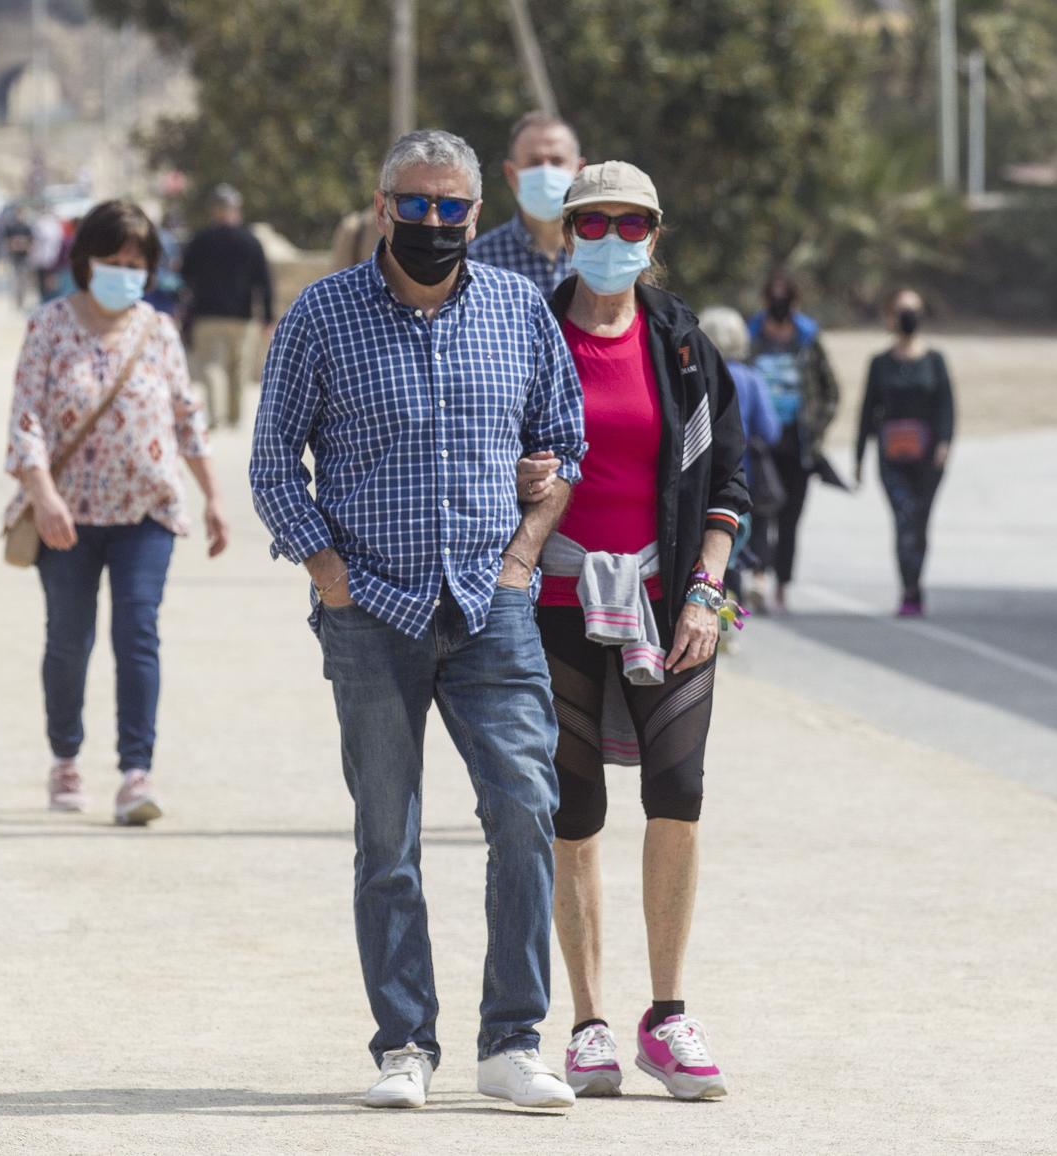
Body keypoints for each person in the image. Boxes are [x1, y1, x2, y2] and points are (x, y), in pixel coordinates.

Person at [249, 129, 585, 1112]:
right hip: (371, 615)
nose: (432, 222)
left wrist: (525, 553)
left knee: (524, 813)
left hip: (490, 608)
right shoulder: (321, 315)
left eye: (450, 208)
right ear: (381, 201)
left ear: (475, 215)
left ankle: (513, 1039)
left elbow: (562, 444)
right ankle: (403, 1043)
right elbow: (274, 465)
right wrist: (326, 569)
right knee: (385, 840)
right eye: (414, 202)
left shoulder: (519, 311)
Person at [513, 163, 745, 1102]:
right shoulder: (526, 330)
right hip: (553, 602)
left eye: (631, 222)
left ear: (656, 231)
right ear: (566, 231)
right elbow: (478, 441)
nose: (612, 238)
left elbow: (728, 479)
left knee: (678, 791)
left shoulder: (682, 342)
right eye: (593, 221)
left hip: (667, 600)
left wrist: (706, 593)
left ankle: (668, 1015)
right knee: (572, 811)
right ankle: (589, 1022)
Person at [4, 199, 228, 826]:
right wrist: (43, 496)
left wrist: (212, 495)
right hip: (65, 518)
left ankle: (136, 771)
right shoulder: (47, 327)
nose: (125, 272)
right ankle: (66, 755)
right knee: (69, 643)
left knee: (137, 635)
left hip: (145, 512)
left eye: (137, 263)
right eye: (113, 259)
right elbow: (25, 423)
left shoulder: (157, 330)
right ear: (84, 260)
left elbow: (187, 414)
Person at [856, 288, 956, 617]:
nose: (907, 316)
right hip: (892, 456)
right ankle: (907, 589)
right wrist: (858, 457)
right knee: (903, 519)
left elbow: (946, 407)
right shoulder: (880, 363)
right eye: (902, 310)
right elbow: (867, 410)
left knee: (920, 522)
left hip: (928, 458)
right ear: (890, 316)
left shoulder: (935, 360)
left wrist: (944, 444)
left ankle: (916, 584)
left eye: (913, 309)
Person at [745, 271, 839, 611]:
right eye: (774, 297)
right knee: (758, 513)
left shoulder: (808, 340)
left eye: (786, 297)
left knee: (790, 517)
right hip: (758, 445)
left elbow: (830, 391)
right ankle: (758, 576)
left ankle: (782, 583)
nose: (779, 305)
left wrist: (816, 428)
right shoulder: (750, 338)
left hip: (798, 444)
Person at [697, 306, 779, 610]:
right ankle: (752, 584)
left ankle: (723, 605)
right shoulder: (751, 378)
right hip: (747, 477)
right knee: (748, 534)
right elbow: (770, 431)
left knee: (715, 542)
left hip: (706, 477)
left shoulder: (697, 375)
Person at [180, 184, 275, 429]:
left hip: (207, 316)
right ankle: (234, 417)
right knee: (238, 368)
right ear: (236, 209)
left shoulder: (200, 240)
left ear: (213, 210)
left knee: (213, 367)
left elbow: (184, 276)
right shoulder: (251, 241)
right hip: (242, 318)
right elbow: (263, 282)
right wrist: (267, 317)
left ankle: (218, 417)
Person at [467, 112, 585, 296]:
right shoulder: (476, 262)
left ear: (579, 171)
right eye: (534, 162)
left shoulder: (601, 255)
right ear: (510, 174)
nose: (546, 171)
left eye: (557, 161)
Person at [2, 207, 35, 308]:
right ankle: (16, 301)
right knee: (15, 280)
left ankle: (22, 300)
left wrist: (23, 244)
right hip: (14, 257)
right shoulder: (11, 227)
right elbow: (6, 242)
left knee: (23, 281)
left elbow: (31, 242)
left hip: (24, 257)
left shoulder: (27, 228)